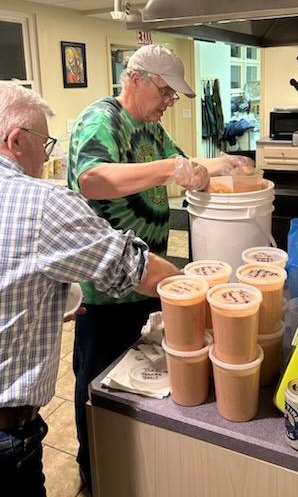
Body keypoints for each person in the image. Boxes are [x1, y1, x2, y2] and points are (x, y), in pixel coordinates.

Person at [0, 81, 179, 497]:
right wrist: (201, 288)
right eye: (44, 143)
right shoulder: (42, 201)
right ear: (15, 140)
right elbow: (137, 267)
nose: (47, 157)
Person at [68, 43, 252, 489]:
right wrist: (169, 169)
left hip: (148, 280)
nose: (170, 103)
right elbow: (93, 180)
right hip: (105, 286)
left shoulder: (152, 131)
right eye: (166, 93)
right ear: (136, 79)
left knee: (135, 379)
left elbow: (185, 167)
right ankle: (94, 469)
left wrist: (223, 164)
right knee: (97, 382)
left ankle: (130, 462)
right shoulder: (103, 119)